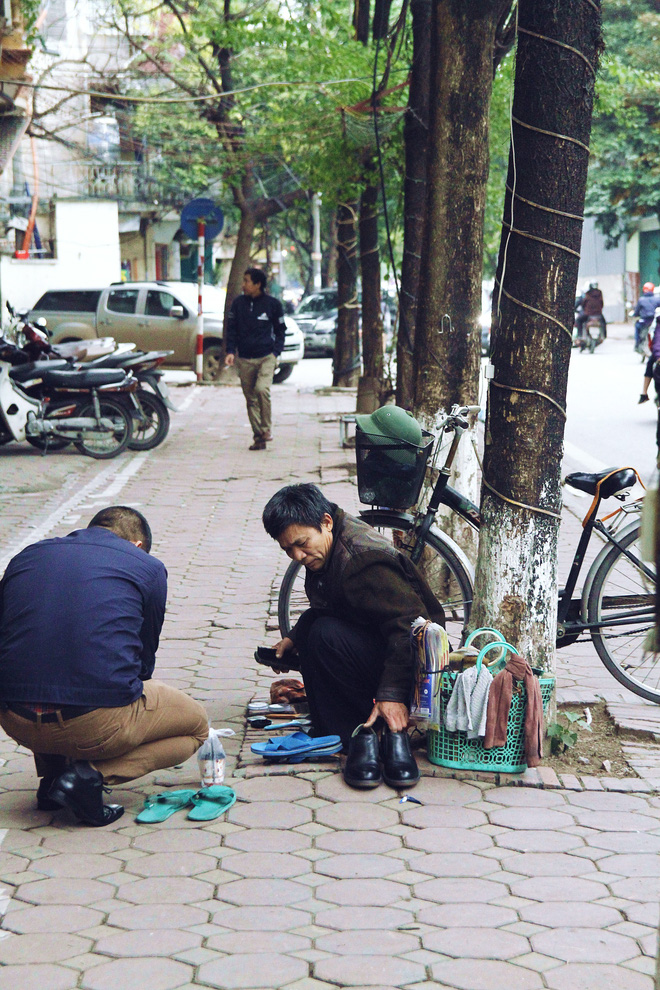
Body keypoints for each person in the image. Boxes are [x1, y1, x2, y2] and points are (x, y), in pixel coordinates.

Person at [0, 506, 209, 826]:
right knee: (196, 728)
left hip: (15, 718)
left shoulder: (27, 557)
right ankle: (84, 778)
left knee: (43, 656)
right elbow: (143, 662)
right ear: (138, 545)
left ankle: (52, 778)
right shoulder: (148, 567)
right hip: (94, 724)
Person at [262, 480, 446, 790]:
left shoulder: (362, 561)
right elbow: (331, 605)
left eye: (301, 543)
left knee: (324, 635)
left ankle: (368, 733)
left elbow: (406, 628)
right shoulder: (327, 545)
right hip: (380, 640)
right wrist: (294, 636)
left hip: (413, 659)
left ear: (326, 522)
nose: (297, 555)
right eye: (287, 549)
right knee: (315, 633)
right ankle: (349, 733)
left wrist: (391, 697)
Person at [224, 267, 287, 450]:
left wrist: (276, 352)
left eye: (247, 281)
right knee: (250, 398)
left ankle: (266, 429)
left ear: (258, 284)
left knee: (261, 389)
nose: (243, 285)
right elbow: (232, 329)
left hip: (266, 356)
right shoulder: (238, 304)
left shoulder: (273, 305)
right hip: (244, 358)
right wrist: (230, 351)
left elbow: (281, 330)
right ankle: (258, 437)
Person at [635, 282, 660, 371]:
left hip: (645, 322)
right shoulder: (657, 299)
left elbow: (636, 312)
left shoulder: (641, 300)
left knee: (637, 328)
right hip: (653, 322)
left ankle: (637, 345)